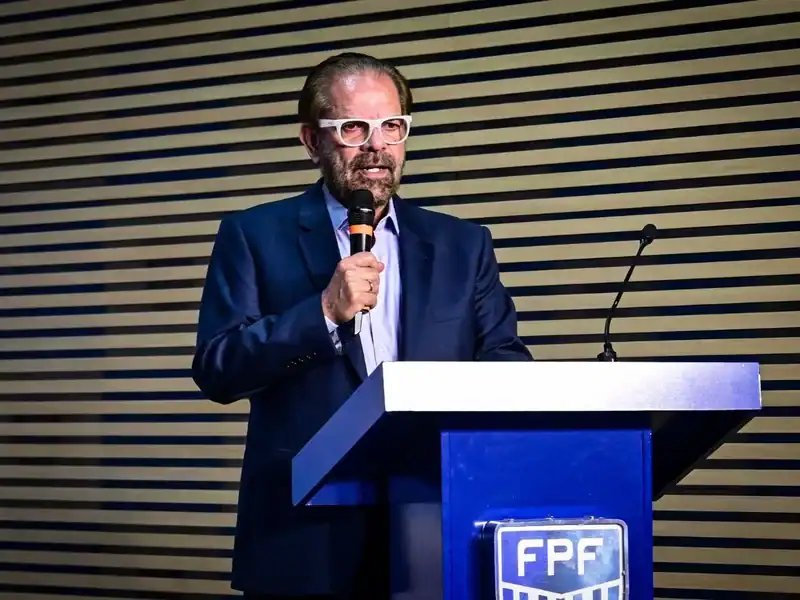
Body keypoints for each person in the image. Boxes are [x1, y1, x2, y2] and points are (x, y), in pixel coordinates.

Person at [191, 52, 533, 600]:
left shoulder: (463, 244)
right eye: (354, 127)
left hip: (439, 528)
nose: (377, 145)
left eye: (392, 126)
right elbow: (217, 369)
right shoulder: (253, 236)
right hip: (303, 538)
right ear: (312, 141)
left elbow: (506, 362)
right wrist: (323, 313)